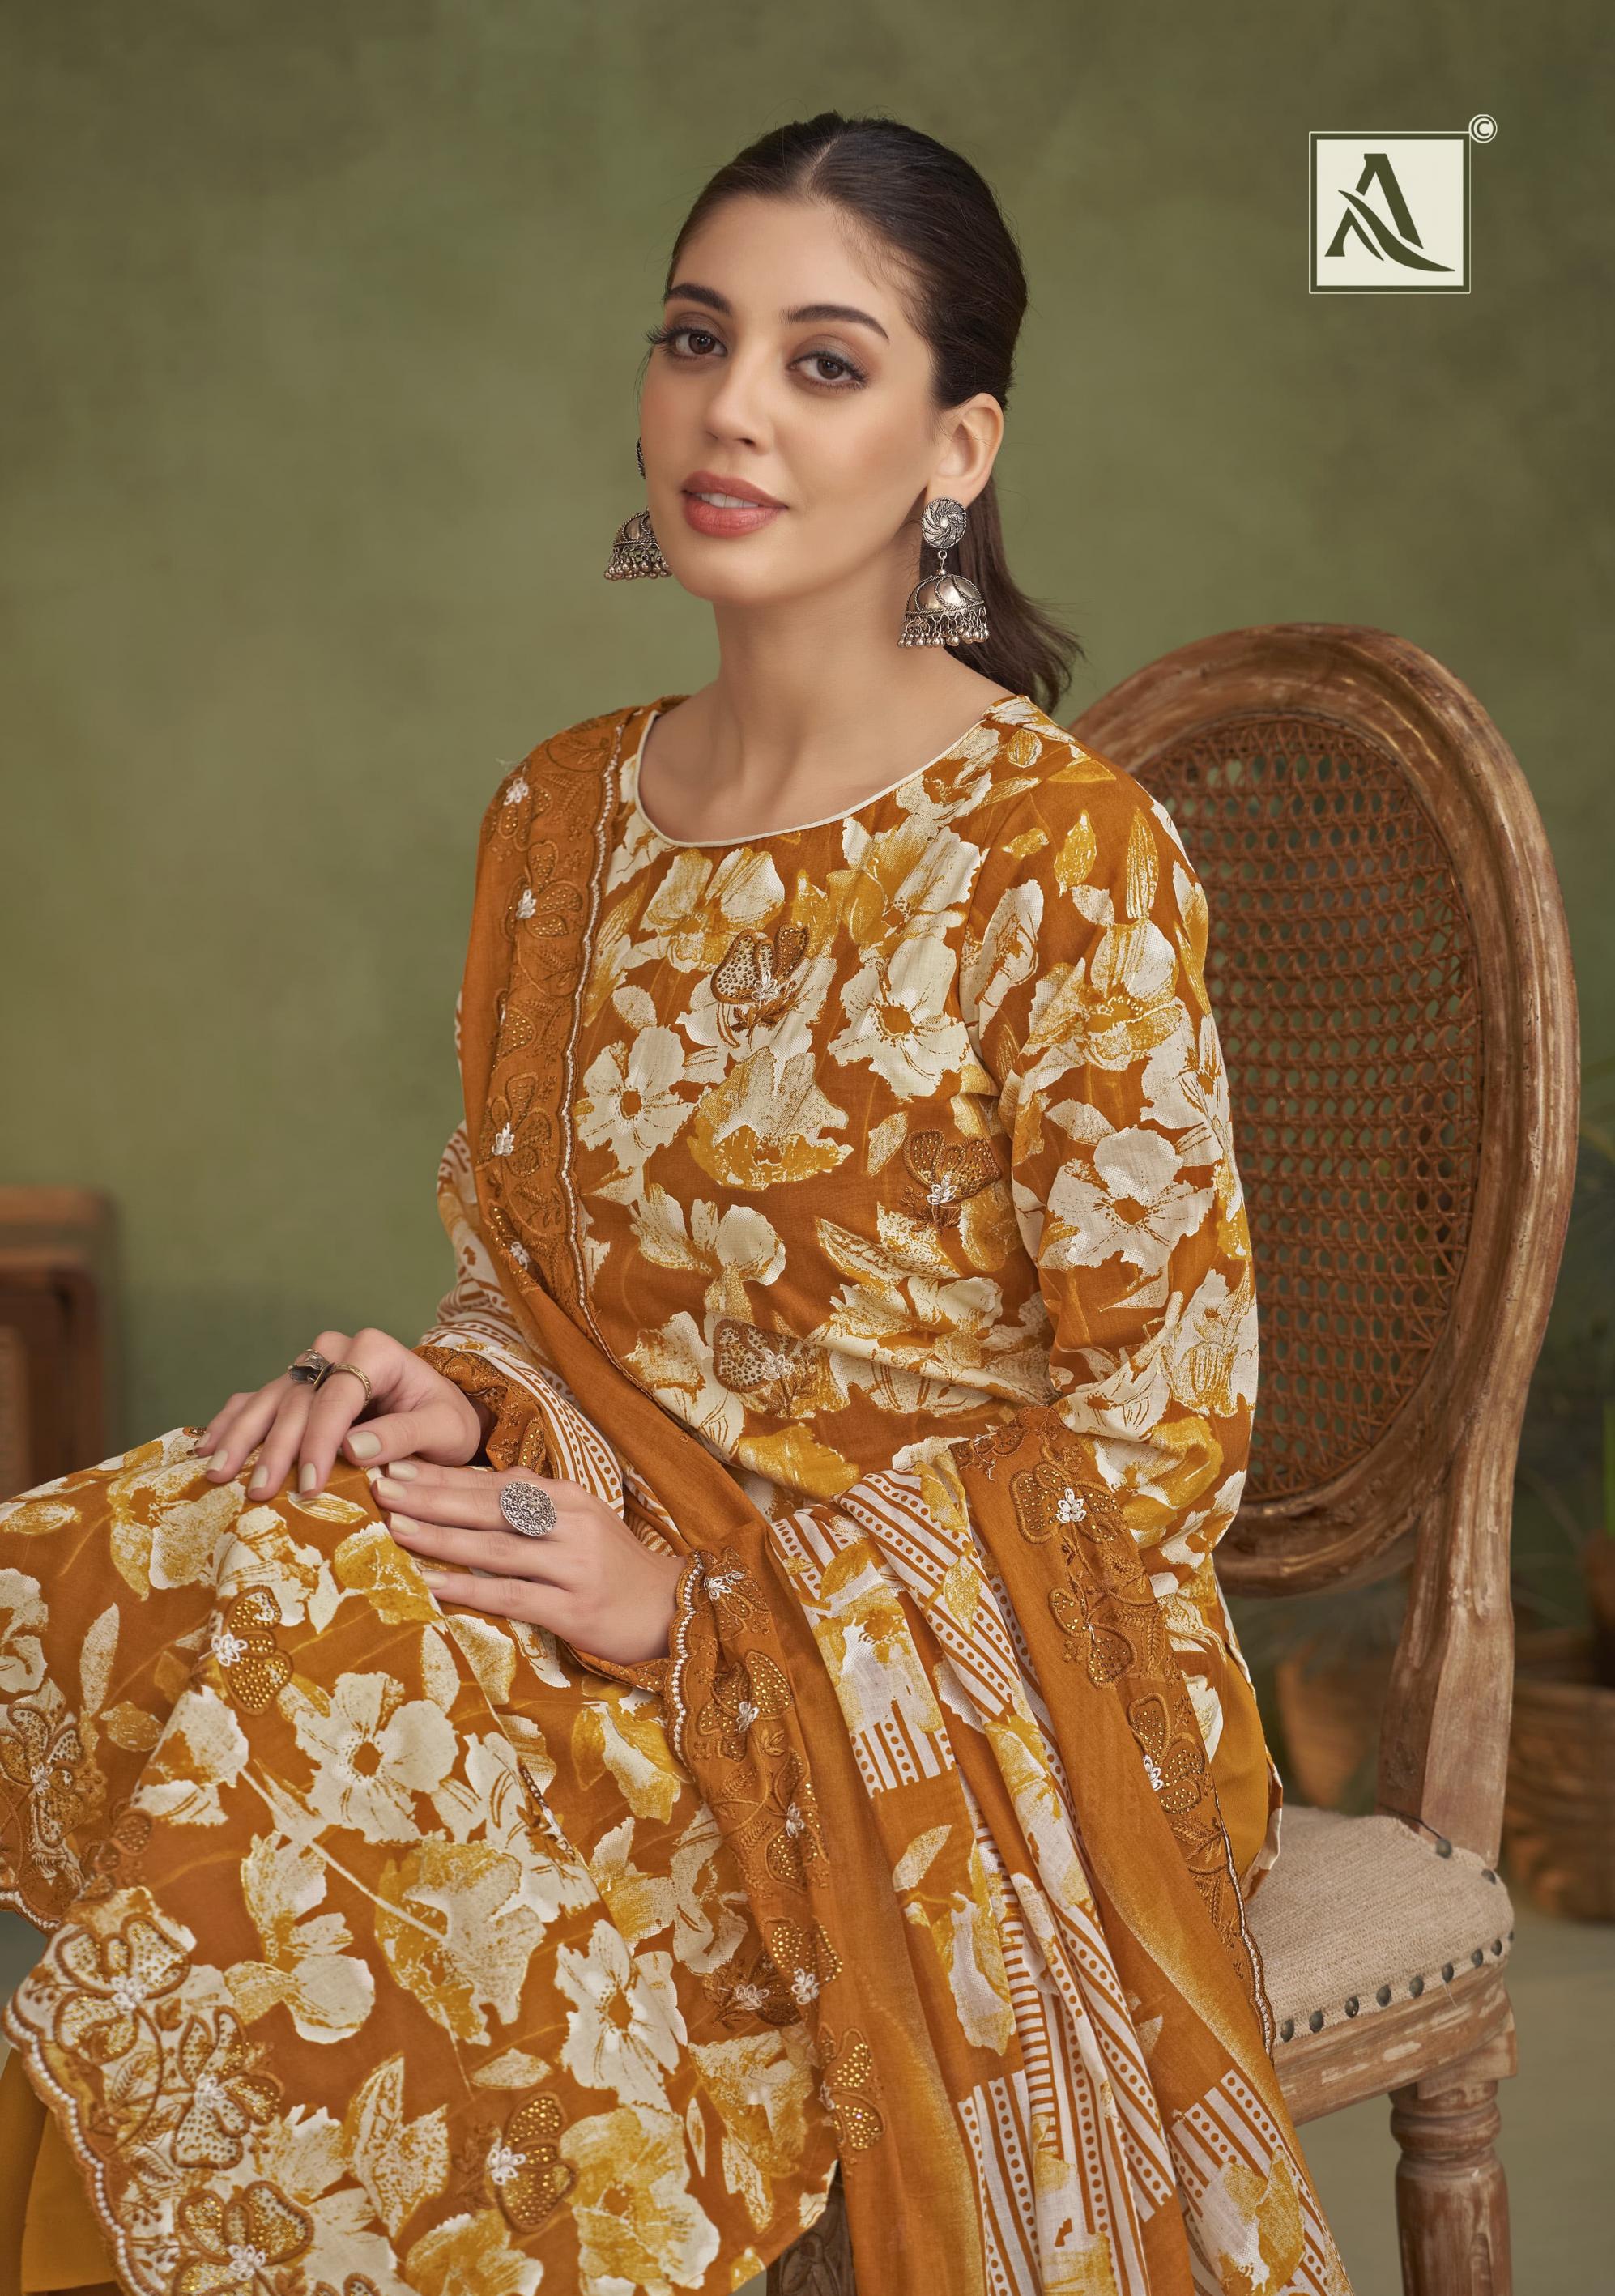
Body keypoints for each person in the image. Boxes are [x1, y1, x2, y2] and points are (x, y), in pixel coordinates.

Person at [0, 111, 1352, 2296]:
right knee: (171, 1551)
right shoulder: (558, 817)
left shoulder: (1060, 857)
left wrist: (704, 1618)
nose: (731, 407)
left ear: (956, 447)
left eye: (824, 362)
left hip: (969, 1693)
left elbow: (1156, 1444)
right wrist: (455, 1397)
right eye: (695, 336)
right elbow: (542, 1293)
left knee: (336, 1710)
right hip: (602, 1534)